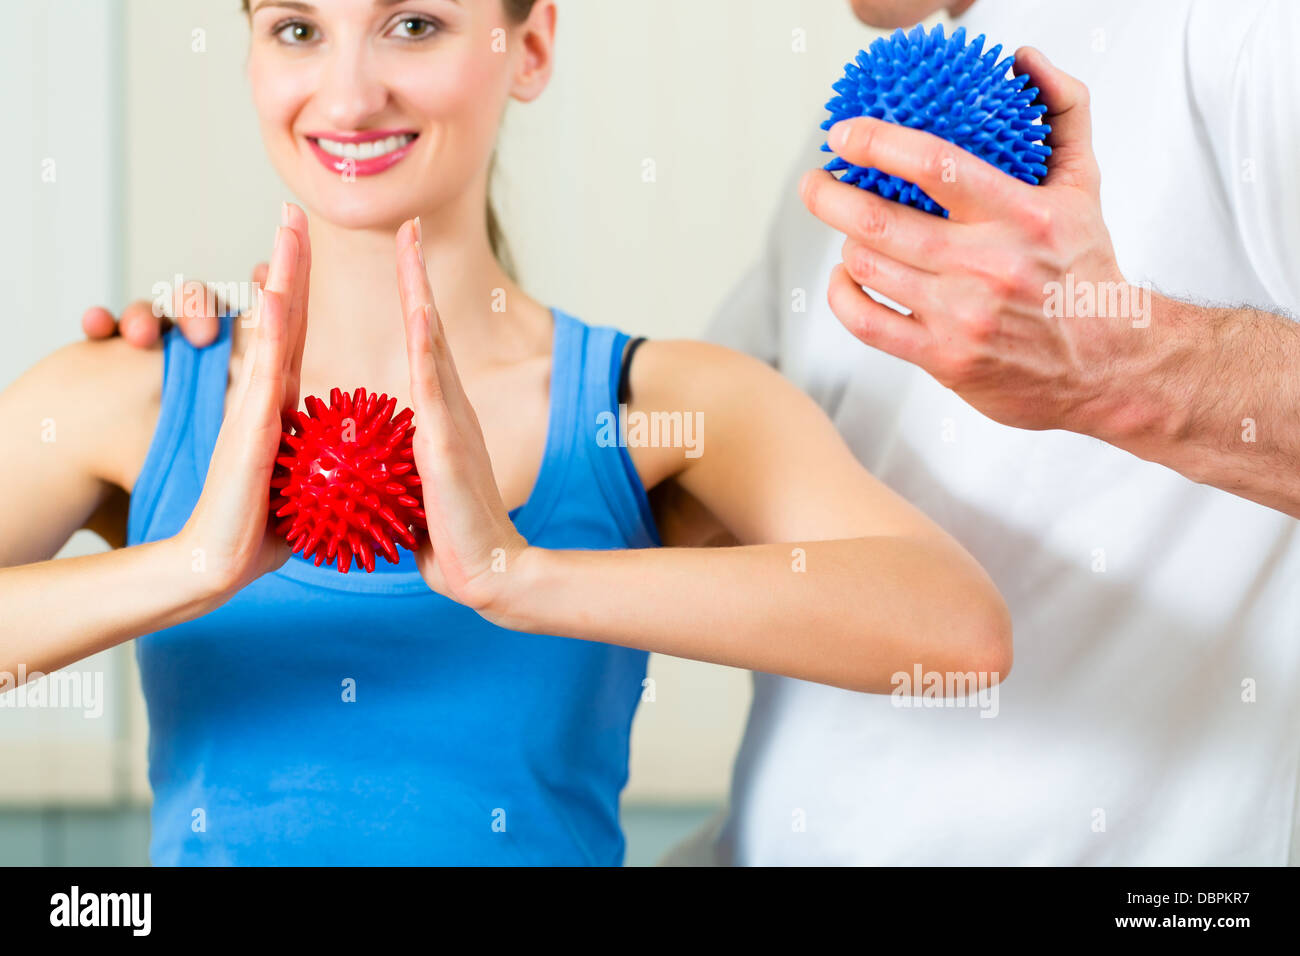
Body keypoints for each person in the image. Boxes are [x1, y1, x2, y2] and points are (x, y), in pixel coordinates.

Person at [0, 0, 1011, 865]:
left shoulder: (650, 405)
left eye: (412, 24)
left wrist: (520, 574)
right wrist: (189, 561)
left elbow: (958, 632)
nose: (348, 98)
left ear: (528, 50)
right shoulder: (131, 393)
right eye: (298, 27)